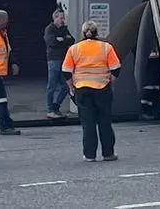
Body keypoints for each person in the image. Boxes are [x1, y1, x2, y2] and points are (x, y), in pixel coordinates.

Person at [62, 20, 121, 162]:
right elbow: (116, 69)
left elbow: (66, 71)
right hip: (102, 88)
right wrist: (110, 82)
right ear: (97, 33)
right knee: (105, 121)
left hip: (82, 89)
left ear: (83, 33)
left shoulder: (74, 49)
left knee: (87, 123)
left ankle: (89, 155)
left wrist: (72, 87)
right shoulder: (106, 48)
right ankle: (108, 154)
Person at [43, 9, 75, 118]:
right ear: (55, 18)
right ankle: (50, 110)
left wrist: (62, 39)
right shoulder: (49, 29)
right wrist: (64, 40)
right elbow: (51, 42)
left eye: (63, 18)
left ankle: (56, 107)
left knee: (66, 86)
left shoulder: (64, 29)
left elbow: (72, 40)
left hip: (64, 60)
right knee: (52, 85)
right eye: (61, 18)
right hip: (54, 60)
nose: (63, 20)